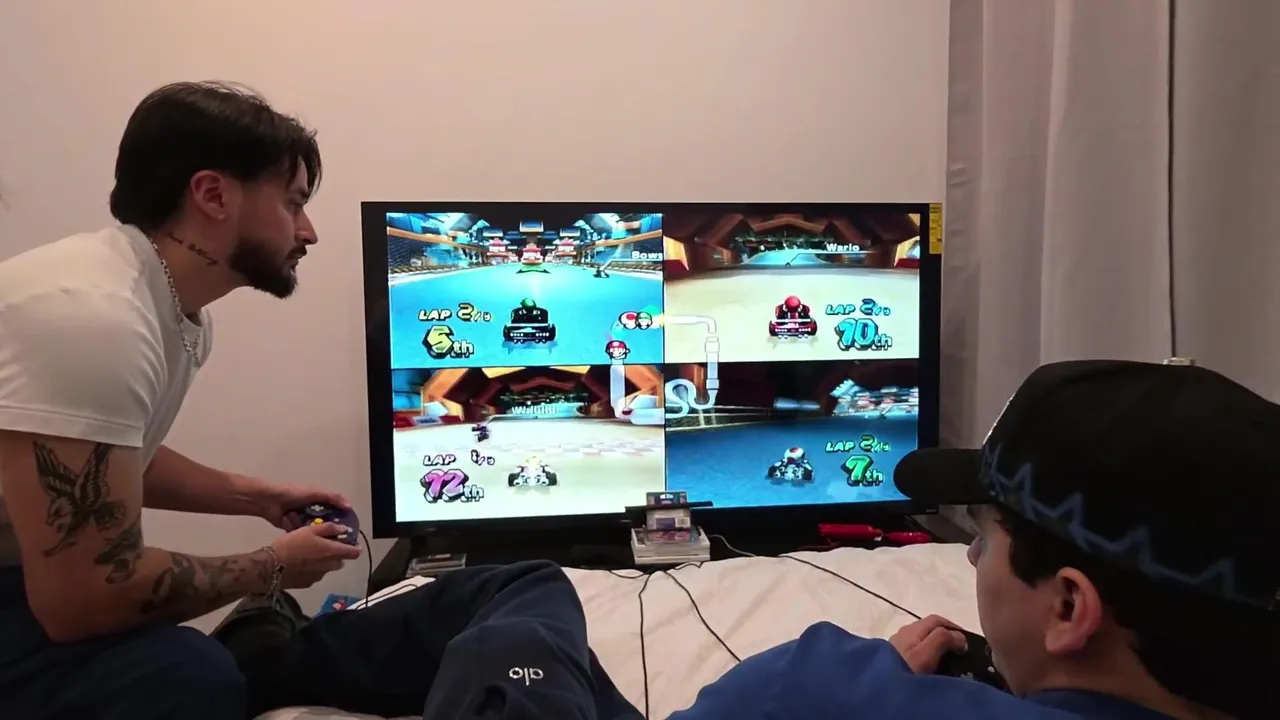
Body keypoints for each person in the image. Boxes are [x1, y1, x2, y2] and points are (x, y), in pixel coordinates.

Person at [0, 82, 640, 720]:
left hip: (35, 587)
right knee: (193, 676)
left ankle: (261, 642)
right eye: (294, 203)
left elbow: (108, 455)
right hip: (29, 600)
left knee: (526, 583)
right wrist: (270, 568)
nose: (308, 232)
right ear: (213, 195)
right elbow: (82, 600)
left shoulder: (166, 309)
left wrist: (253, 495)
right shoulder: (96, 318)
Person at [669, 360, 1278, 719]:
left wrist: (870, 680)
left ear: (1069, 608)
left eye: (985, 535)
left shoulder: (811, 692)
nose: (971, 553)